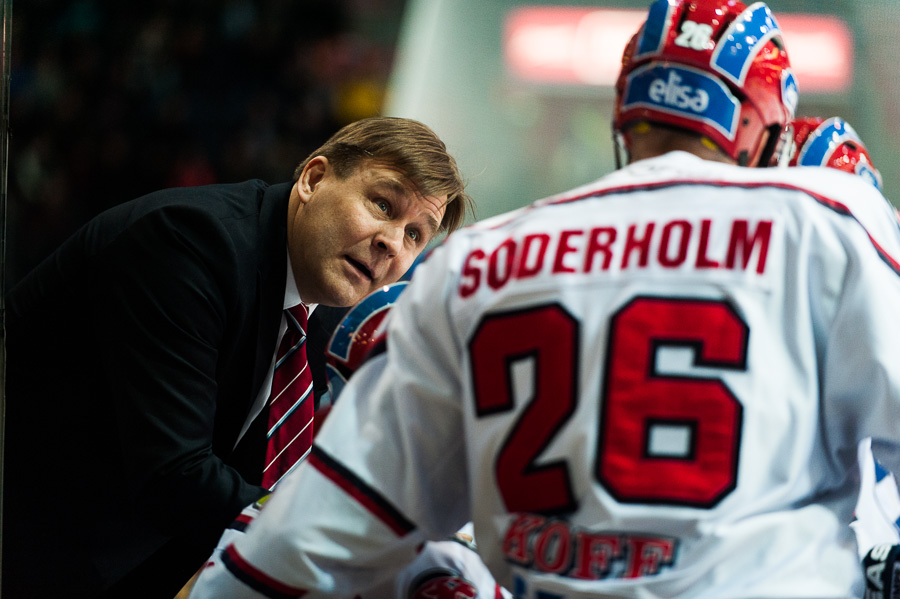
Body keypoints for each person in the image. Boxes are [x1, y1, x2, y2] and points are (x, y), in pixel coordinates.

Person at [189, 1, 900, 597]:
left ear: (626, 111)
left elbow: (334, 515)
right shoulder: (828, 220)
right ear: (766, 125)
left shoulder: (480, 257)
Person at [1, 115, 472, 599]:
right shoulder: (188, 243)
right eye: (382, 204)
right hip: (22, 545)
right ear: (313, 179)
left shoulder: (327, 316)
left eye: (417, 234)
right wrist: (353, 537)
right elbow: (176, 477)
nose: (392, 243)